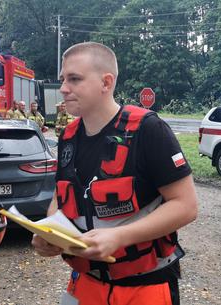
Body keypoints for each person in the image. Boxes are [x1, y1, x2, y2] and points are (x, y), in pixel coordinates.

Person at [32, 42, 198, 305]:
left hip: (144, 287)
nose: (63, 88)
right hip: (85, 282)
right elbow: (60, 195)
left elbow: (186, 206)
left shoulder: (148, 130)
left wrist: (119, 236)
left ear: (106, 83)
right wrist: (50, 233)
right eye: (63, 79)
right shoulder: (68, 136)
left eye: (74, 79)